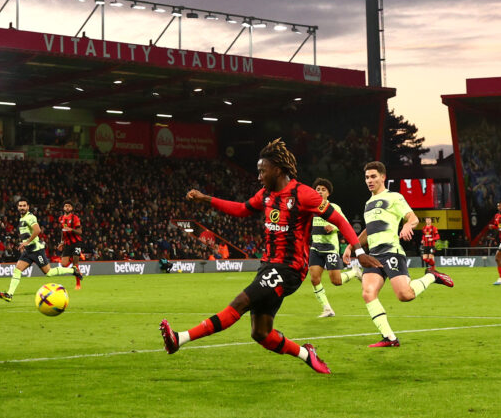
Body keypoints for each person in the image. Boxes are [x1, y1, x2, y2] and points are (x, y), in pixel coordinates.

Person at [159, 139, 363, 373]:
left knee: (240, 302)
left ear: (278, 170)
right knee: (261, 333)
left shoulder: (303, 194)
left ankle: (179, 339)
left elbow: (339, 220)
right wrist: (206, 199)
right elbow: (241, 209)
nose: (259, 177)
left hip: (290, 269)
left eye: (262, 171)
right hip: (268, 266)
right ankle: (307, 354)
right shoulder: (266, 194)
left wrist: (358, 251)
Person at [346, 161, 454, 348]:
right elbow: (369, 230)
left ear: (383, 177)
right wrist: (351, 246)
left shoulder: (394, 197)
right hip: (374, 255)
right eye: (367, 177)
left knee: (405, 295)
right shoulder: (368, 204)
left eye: (373, 176)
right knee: (368, 293)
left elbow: (413, 218)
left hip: (391, 252)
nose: (369, 180)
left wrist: (406, 226)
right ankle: (389, 338)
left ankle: (432, 276)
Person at [0, 198, 76, 301]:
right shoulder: (22, 219)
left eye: (24, 206)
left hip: (36, 250)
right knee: (17, 270)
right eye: (20, 206)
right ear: (17, 207)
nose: (22, 207)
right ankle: (9, 294)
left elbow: (37, 230)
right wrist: (24, 244)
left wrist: (27, 242)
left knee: (49, 273)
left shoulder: (30, 217)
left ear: (28, 207)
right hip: (28, 251)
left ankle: (72, 270)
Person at [307, 177, 353, 318]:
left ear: (328, 193)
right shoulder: (310, 208)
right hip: (315, 247)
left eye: (323, 189)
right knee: (314, 279)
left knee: (336, 281)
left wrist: (333, 227)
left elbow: (344, 223)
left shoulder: (334, 207)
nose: (320, 191)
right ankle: (327, 308)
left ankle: (354, 272)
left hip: (330, 248)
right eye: (318, 189)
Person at [54, 200, 86, 289]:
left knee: (75, 264)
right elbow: (62, 231)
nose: (67, 207)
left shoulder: (75, 218)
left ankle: (78, 284)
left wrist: (71, 229)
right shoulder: (61, 218)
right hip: (67, 243)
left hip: (76, 243)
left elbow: (80, 232)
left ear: (72, 208)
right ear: (63, 208)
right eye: (66, 206)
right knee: (64, 264)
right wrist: (61, 242)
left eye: (69, 206)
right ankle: (74, 258)